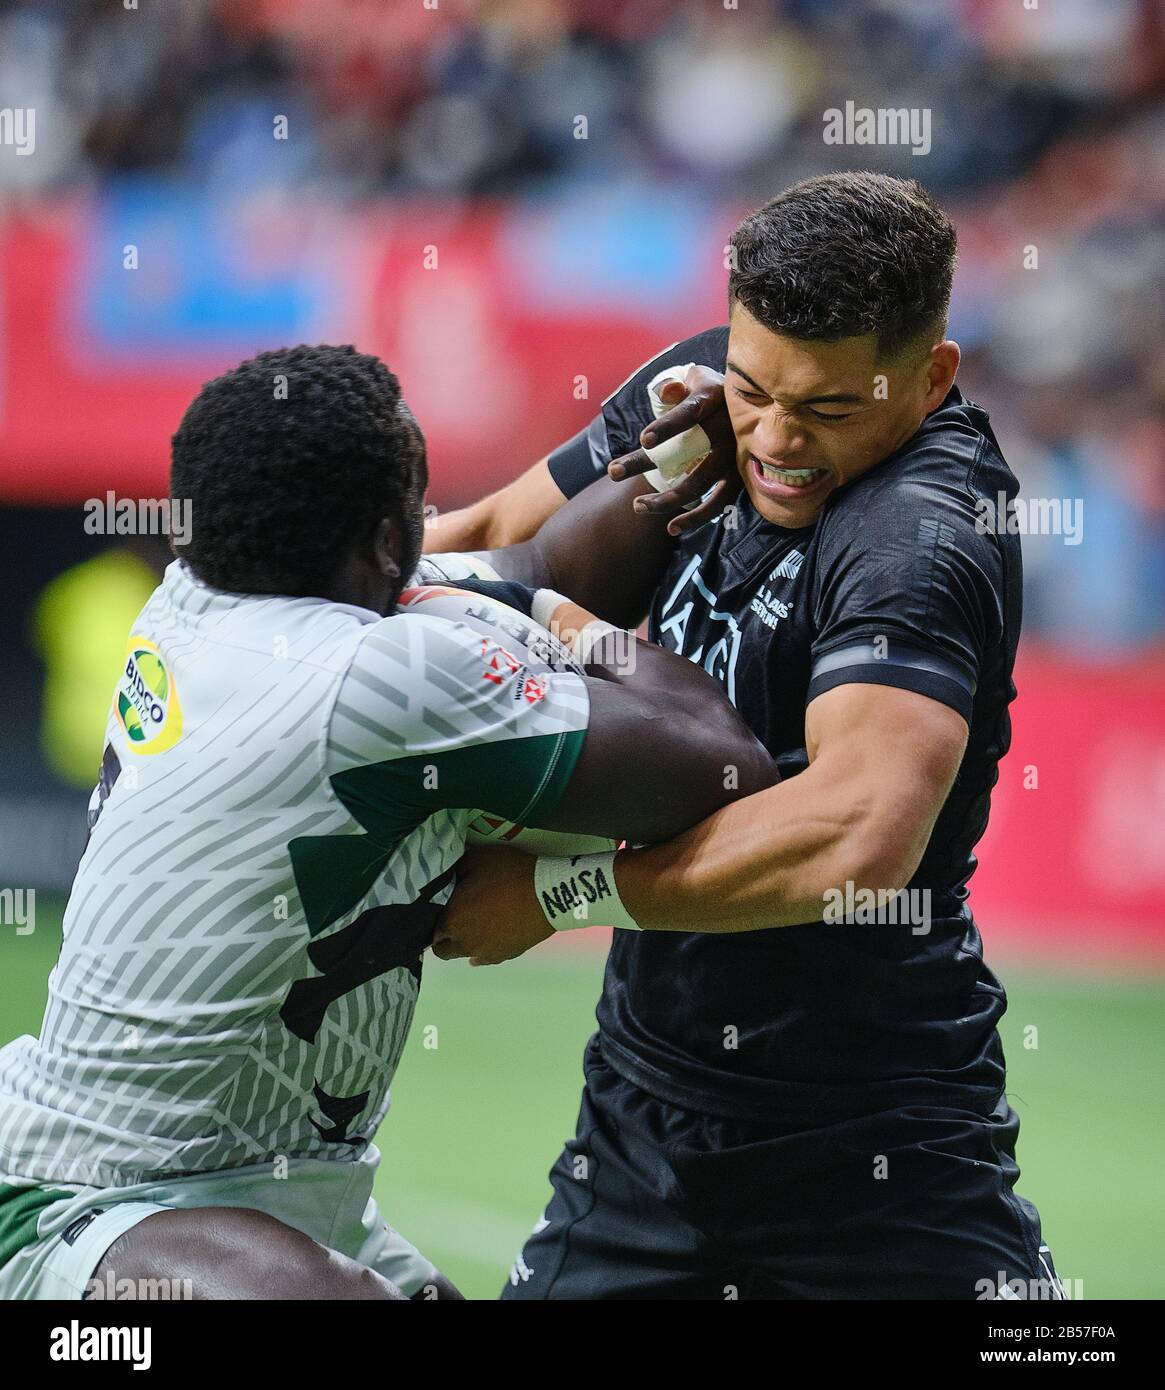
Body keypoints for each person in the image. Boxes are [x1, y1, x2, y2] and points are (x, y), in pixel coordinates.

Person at [0, 344, 776, 1300]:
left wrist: (677, 463)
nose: (429, 526)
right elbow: (717, 755)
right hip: (84, 1209)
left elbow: (532, 561)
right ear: (377, 542)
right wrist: (551, 615)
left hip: (276, 1196)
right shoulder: (370, 677)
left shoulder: (206, 598)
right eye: (415, 508)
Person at [432, 172, 1063, 1300]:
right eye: (752, 388)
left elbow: (852, 835)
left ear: (930, 376)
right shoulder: (708, 389)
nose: (772, 439)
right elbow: (487, 541)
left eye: (824, 411)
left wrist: (550, 896)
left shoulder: (918, 535)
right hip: (641, 1122)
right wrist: (277, 597)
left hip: (880, 1162)